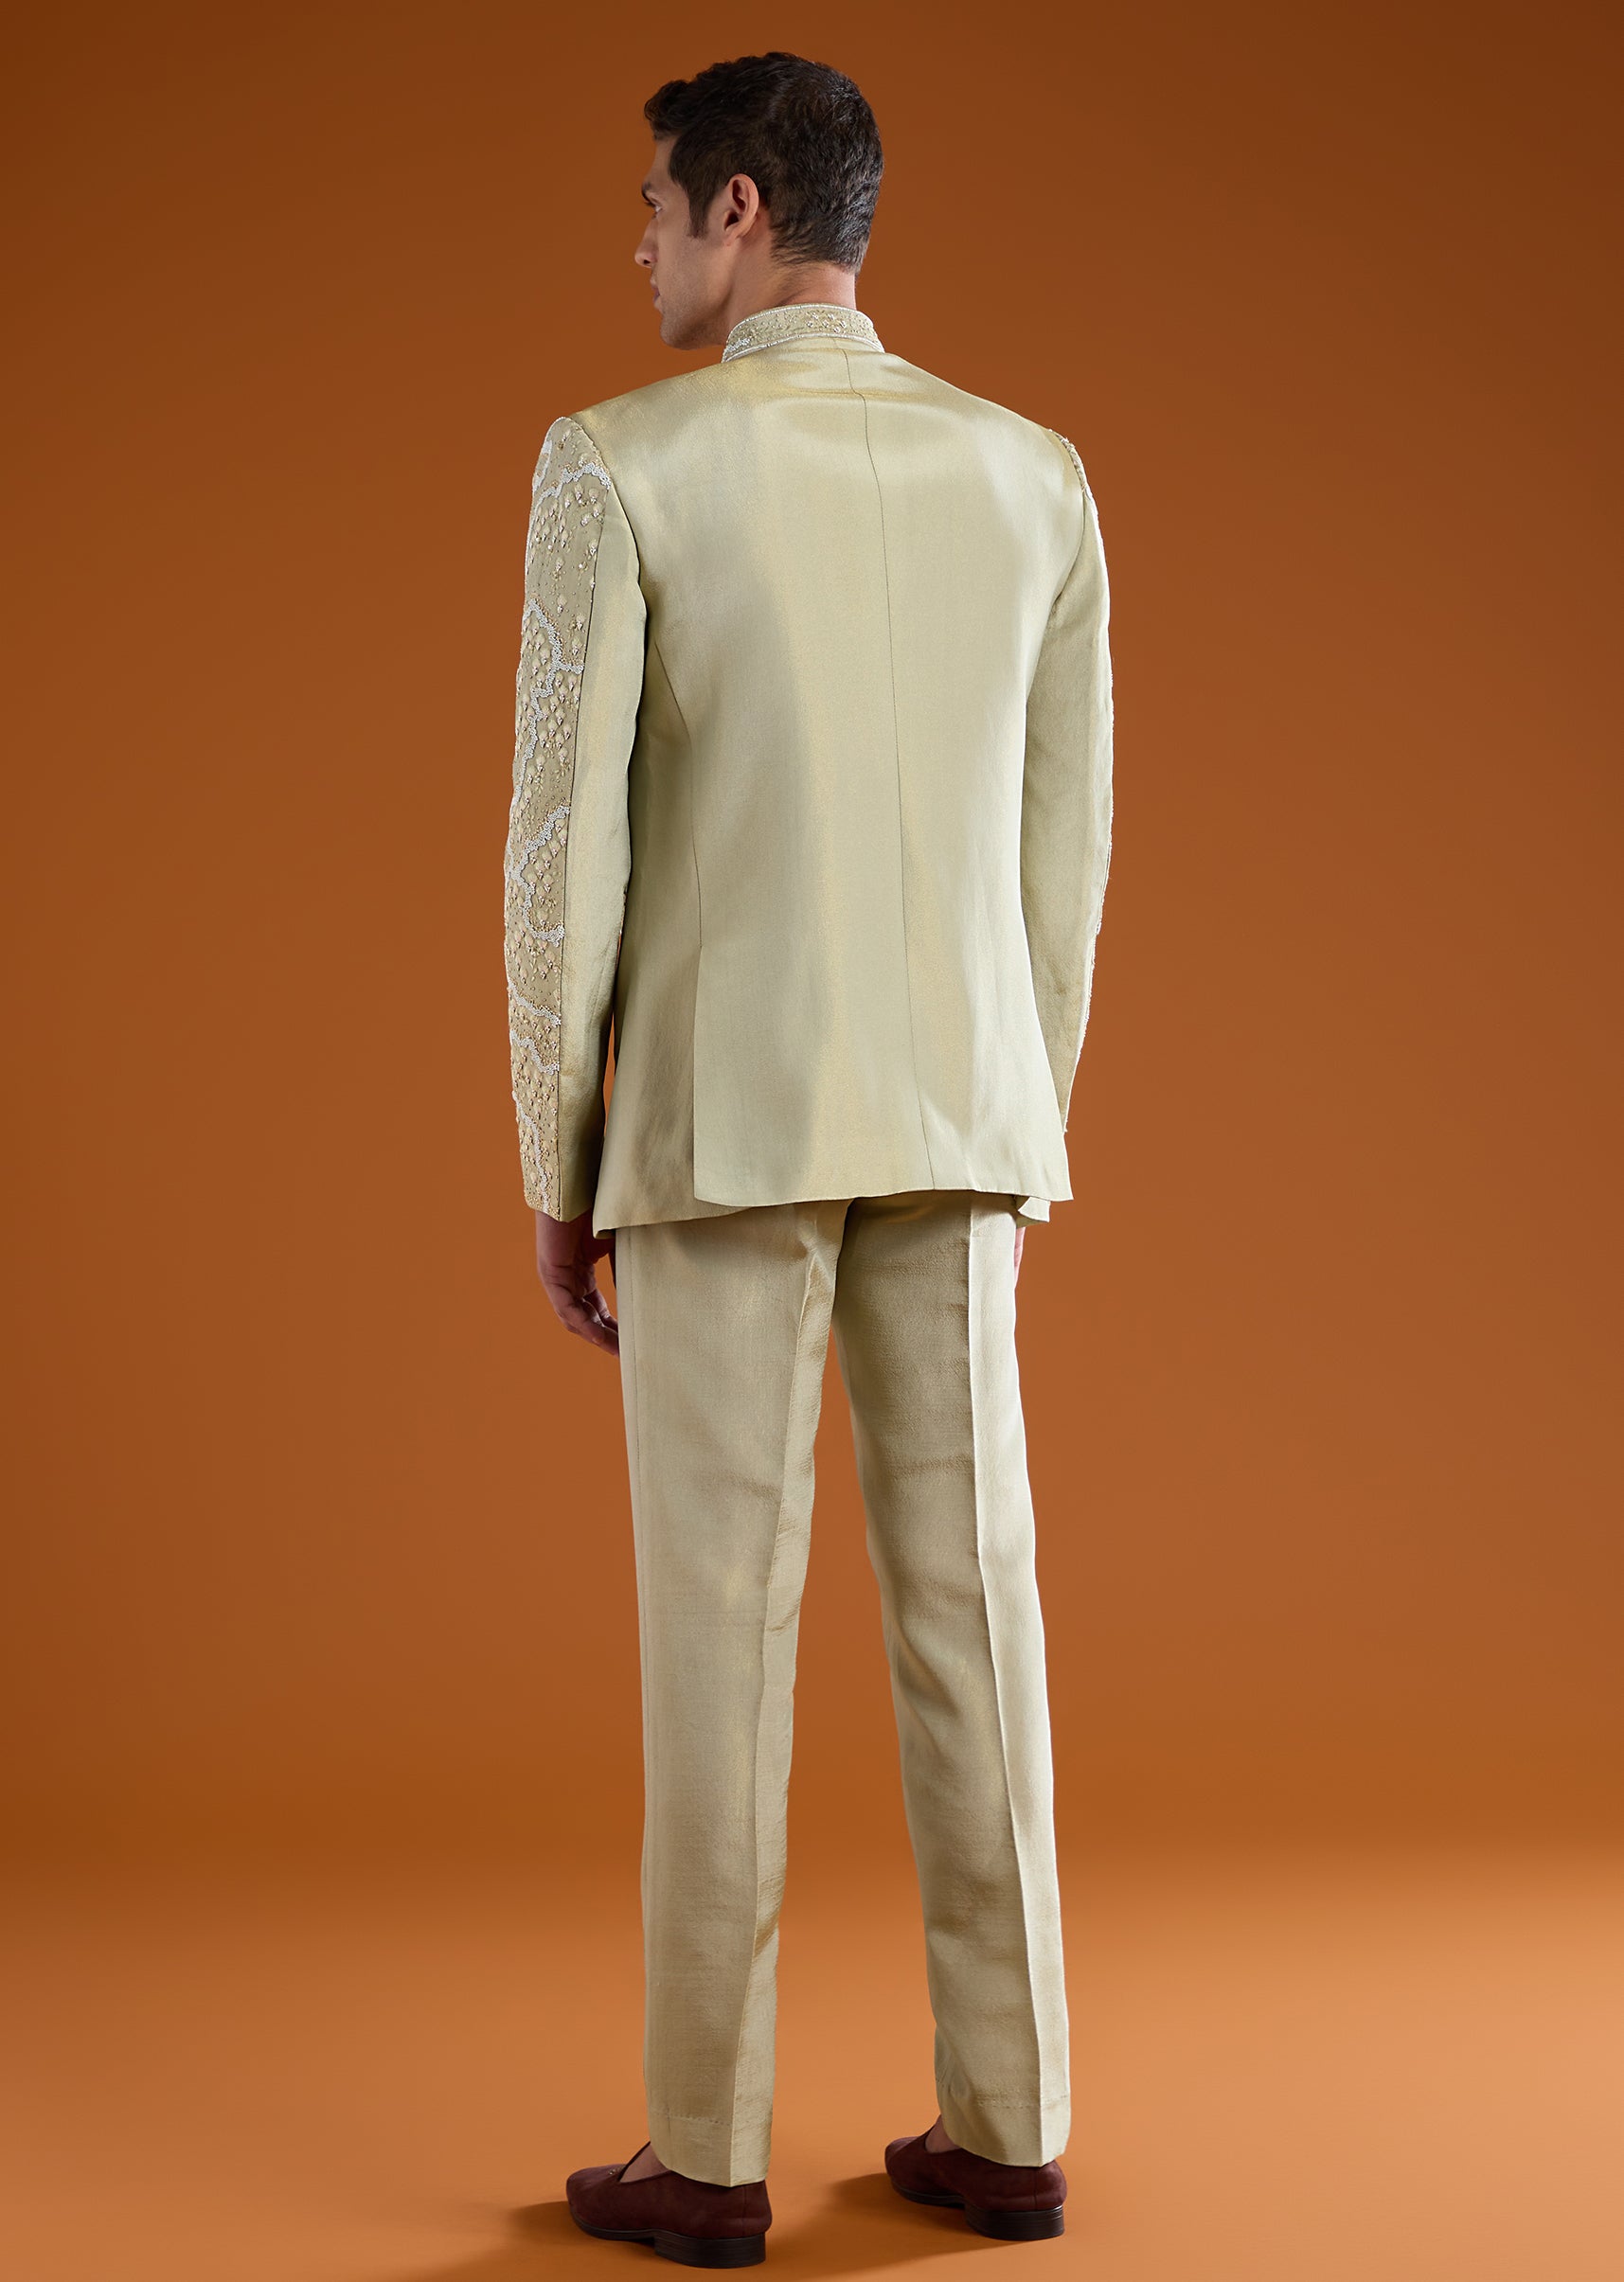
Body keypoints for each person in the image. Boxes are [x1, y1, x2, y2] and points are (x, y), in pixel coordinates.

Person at [502, 49, 1113, 2266]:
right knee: (978, 1618)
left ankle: (707, 2147)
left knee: (718, 1638)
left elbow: (564, 862)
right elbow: (1062, 855)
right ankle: (1014, 2120)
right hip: (964, 1110)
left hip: (720, 1122)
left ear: (741, 211)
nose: (642, 246)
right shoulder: (1033, 476)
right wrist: (1019, 1111)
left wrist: (558, 1152)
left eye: (659, 209)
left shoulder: (620, 463)